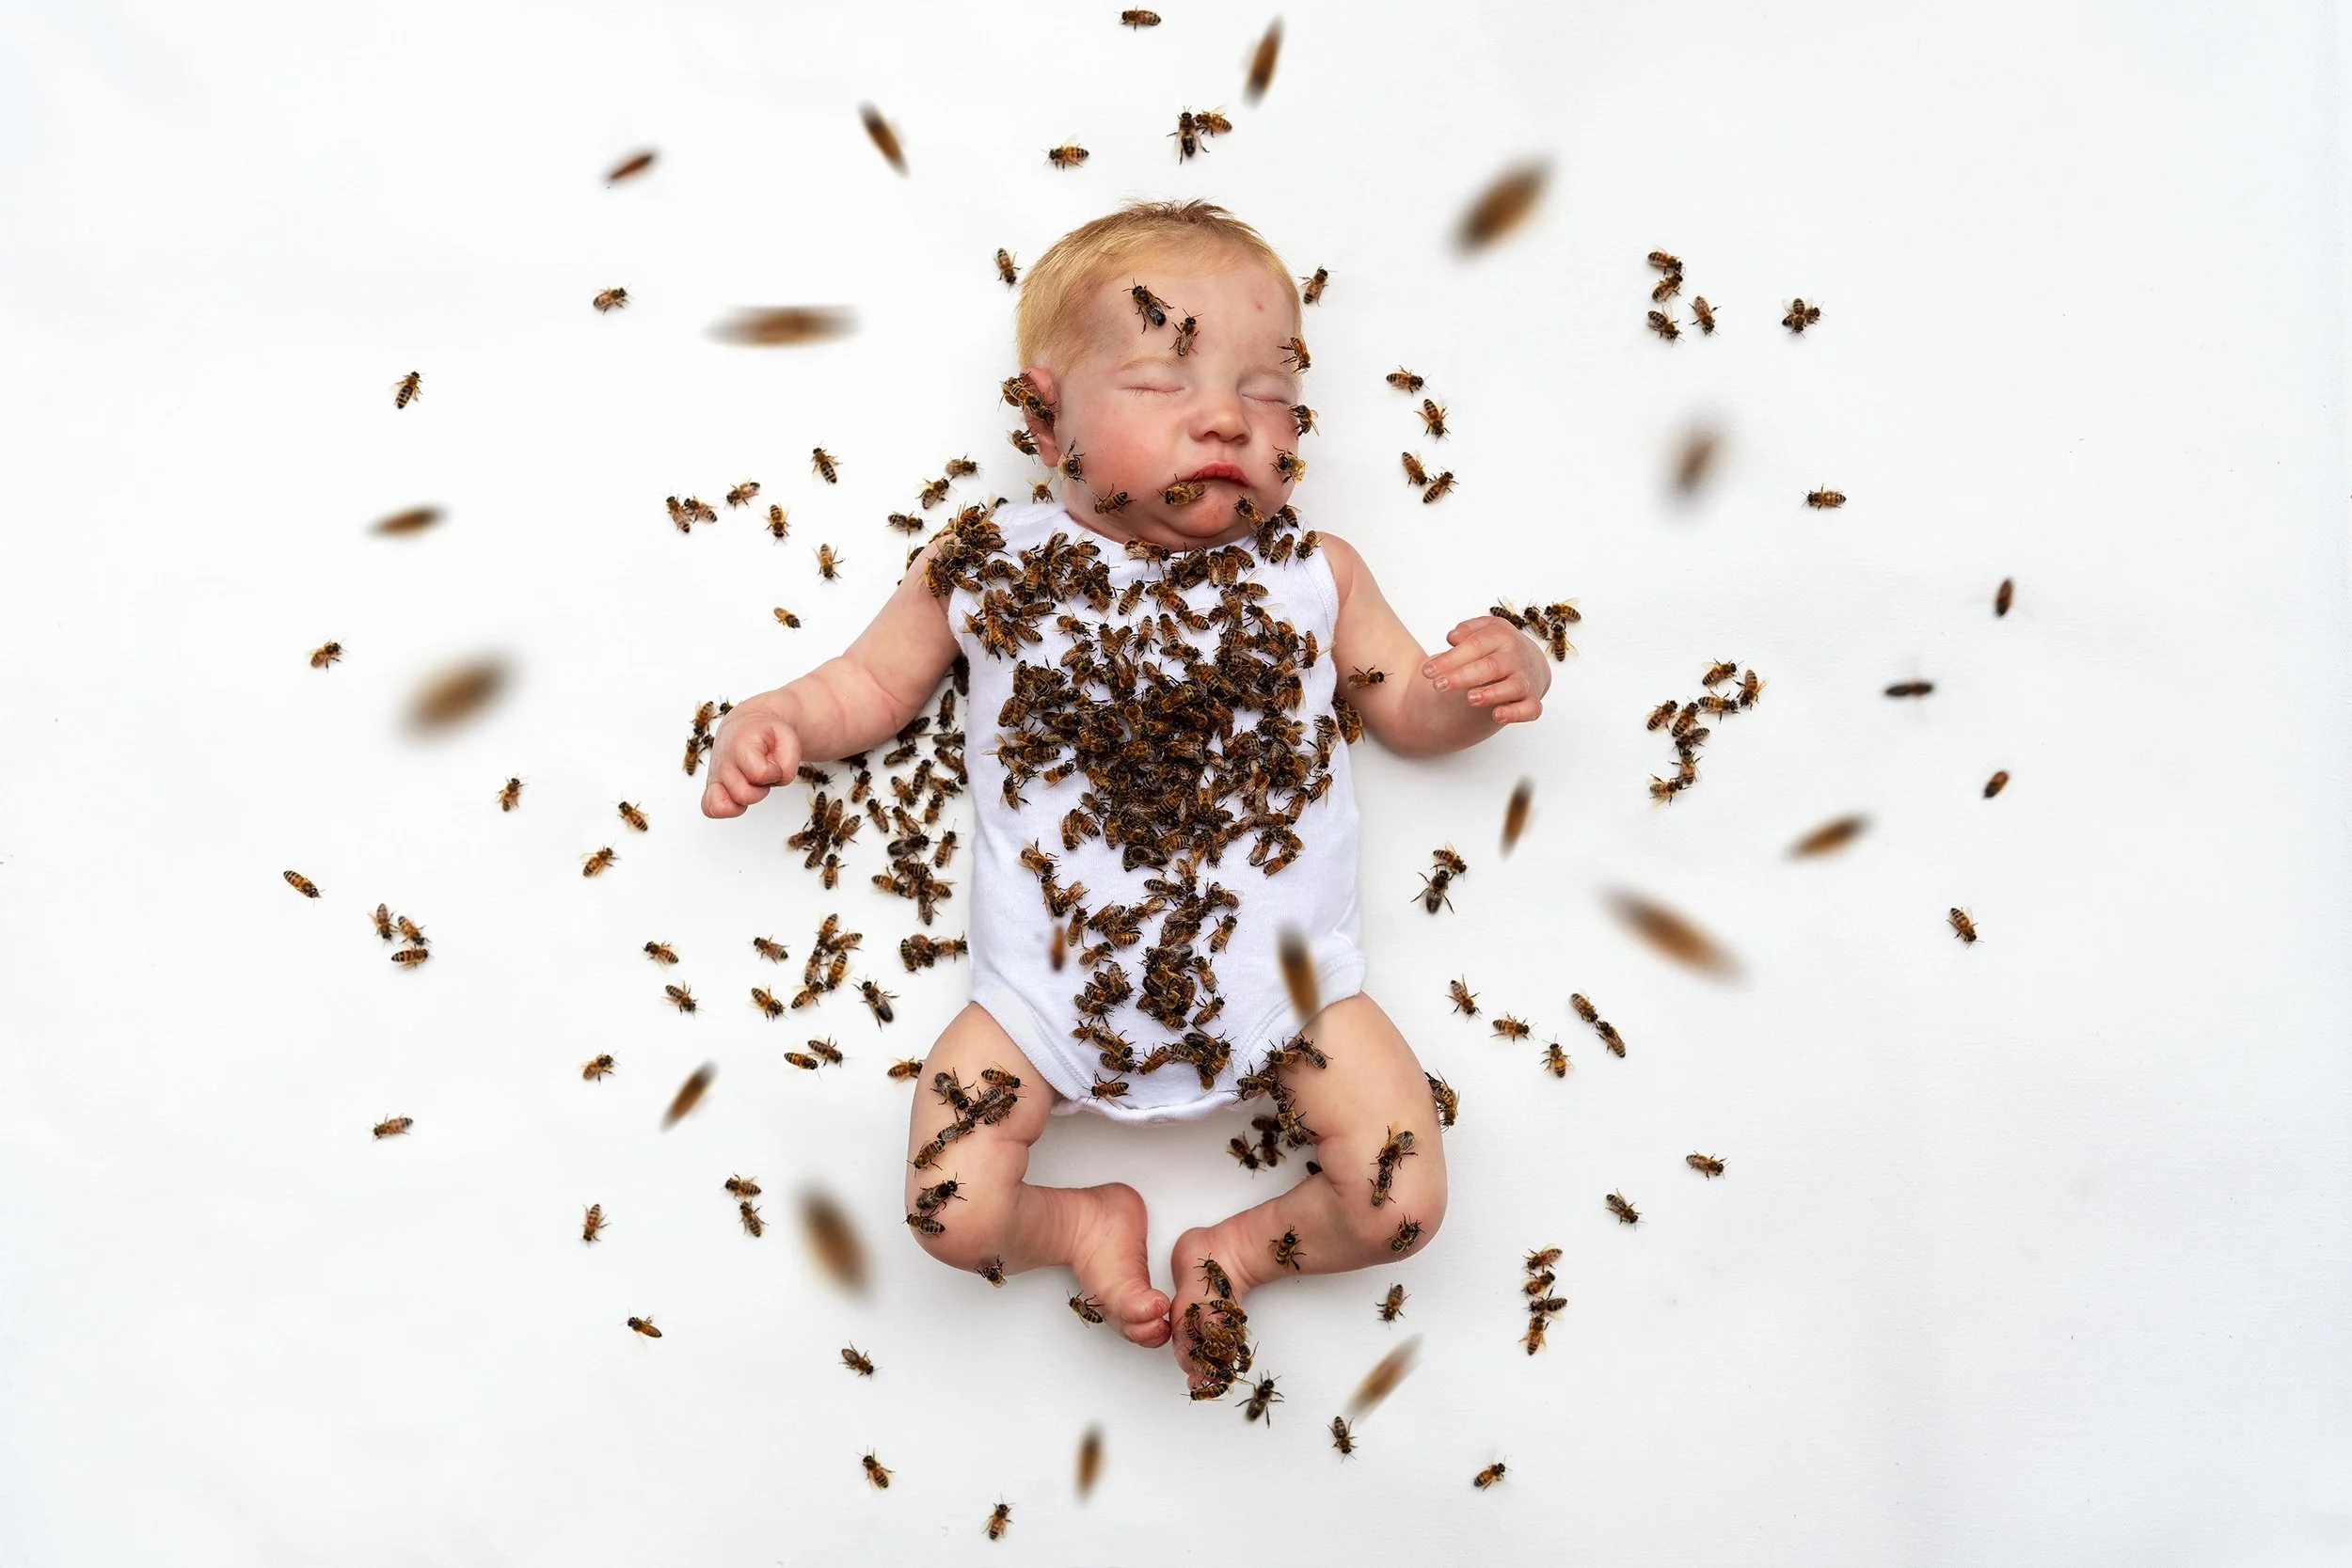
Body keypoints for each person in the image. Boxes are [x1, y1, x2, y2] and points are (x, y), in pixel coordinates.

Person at [700, 199, 1551, 1386]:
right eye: (1166, 381)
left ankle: (1237, 1251)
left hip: (1284, 984)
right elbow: (867, 684)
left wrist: (1486, 682)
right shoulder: (989, 562)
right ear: (1045, 417)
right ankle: (1080, 1224)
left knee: (1400, 1199)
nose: (1225, 415)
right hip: (1042, 994)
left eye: (1269, 395)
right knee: (951, 1210)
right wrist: (778, 720)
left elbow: (1407, 706)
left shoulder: (1309, 570)